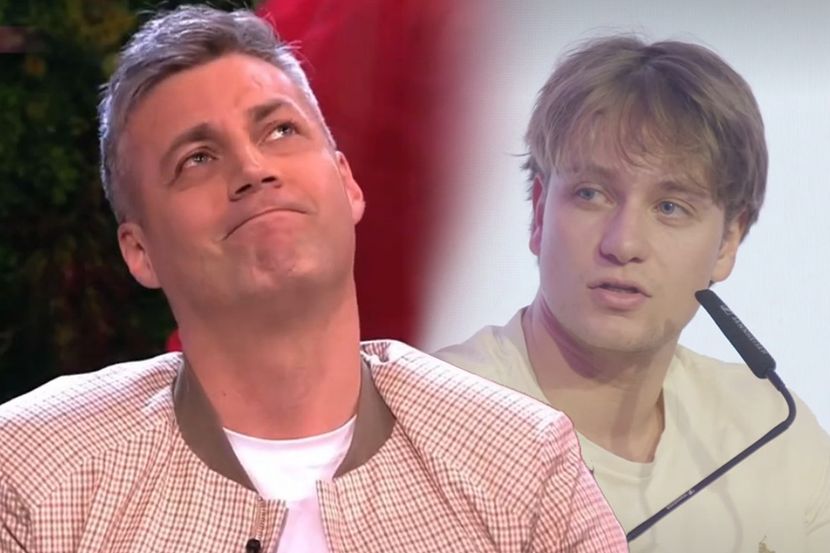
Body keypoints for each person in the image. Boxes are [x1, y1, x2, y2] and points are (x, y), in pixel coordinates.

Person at [0, 6, 627, 553]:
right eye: (197, 159)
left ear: (348, 184)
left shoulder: (523, 462)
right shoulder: (31, 475)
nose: (253, 169)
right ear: (140, 252)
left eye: (280, 130)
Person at [435, 36, 830, 552]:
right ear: (539, 212)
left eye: (670, 207)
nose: (623, 244)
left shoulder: (773, 434)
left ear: (728, 242)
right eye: (591, 194)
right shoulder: (430, 423)